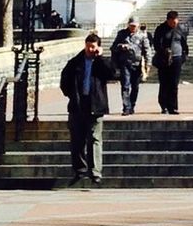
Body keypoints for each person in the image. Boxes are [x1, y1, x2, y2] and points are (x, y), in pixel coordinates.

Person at [59, 32, 116, 185]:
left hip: (95, 104)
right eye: (88, 46)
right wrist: (71, 95)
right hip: (78, 104)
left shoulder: (100, 62)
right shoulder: (75, 62)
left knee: (95, 138)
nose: (90, 49)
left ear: (98, 47)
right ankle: (80, 170)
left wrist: (101, 58)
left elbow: (113, 73)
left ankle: (95, 171)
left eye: (93, 47)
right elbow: (64, 81)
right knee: (77, 140)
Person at [110, 15, 151, 115]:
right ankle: (126, 107)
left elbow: (147, 50)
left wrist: (148, 63)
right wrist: (121, 46)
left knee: (135, 86)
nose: (132, 28)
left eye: (134, 26)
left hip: (137, 64)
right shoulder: (122, 34)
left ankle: (132, 104)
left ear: (138, 26)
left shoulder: (142, 36)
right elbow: (113, 47)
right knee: (125, 85)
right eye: (131, 26)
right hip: (125, 63)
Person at [153, 9, 189, 114]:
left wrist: (184, 55)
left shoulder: (180, 29)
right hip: (164, 59)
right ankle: (163, 106)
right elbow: (156, 44)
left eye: (176, 22)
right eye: (172, 22)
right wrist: (164, 51)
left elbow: (183, 42)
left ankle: (173, 106)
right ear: (168, 20)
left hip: (177, 58)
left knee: (174, 84)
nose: (174, 24)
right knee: (164, 83)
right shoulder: (160, 29)